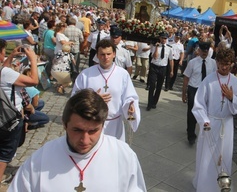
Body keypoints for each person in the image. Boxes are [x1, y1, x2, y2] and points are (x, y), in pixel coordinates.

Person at [8, 89, 146, 191]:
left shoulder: (123, 156)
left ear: (103, 125)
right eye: (77, 130)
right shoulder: (40, 160)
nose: (85, 140)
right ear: (64, 124)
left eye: (93, 131)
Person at [191, 48, 237, 192]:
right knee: (207, 156)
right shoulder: (209, 80)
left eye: (227, 63)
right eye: (221, 63)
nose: (224, 66)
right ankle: (204, 186)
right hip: (210, 123)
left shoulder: (235, 82)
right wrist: (204, 120)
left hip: (226, 124)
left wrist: (232, 97)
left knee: (224, 155)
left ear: (232, 64)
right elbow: (199, 104)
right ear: (217, 62)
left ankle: (221, 185)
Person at [72, 39, 140, 140]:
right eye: (102, 54)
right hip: (91, 123)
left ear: (114, 54)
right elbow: (74, 97)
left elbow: (129, 96)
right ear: (97, 55)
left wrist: (131, 105)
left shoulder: (122, 74)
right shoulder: (86, 74)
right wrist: (93, 99)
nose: (106, 57)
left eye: (108, 54)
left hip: (115, 124)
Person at [0, 39, 39, 185]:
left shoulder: (4, 71)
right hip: (10, 117)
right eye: (4, 51)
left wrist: (9, 58)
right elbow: (34, 80)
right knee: (6, 150)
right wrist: (33, 60)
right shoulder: (6, 73)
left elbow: (3, 70)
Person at [182, 41, 217, 145]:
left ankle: (204, 134)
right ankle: (191, 135)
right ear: (199, 50)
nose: (204, 53)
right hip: (194, 89)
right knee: (192, 113)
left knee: (205, 113)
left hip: (207, 91)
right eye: (203, 51)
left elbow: (215, 78)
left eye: (206, 51)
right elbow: (186, 78)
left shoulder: (213, 63)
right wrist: (184, 93)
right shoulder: (192, 62)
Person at [146, 32, 173, 111]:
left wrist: (171, 70)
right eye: (162, 38)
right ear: (160, 38)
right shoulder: (155, 46)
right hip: (154, 67)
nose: (164, 40)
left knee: (159, 86)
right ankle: (149, 103)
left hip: (163, 68)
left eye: (165, 38)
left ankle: (154, 102)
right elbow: (155, 57)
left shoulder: (169, 48)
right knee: (152, 85)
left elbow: (171, 60)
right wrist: (157, 47)